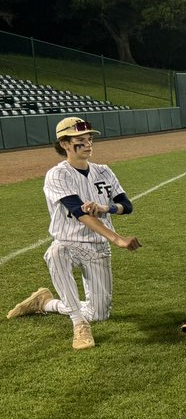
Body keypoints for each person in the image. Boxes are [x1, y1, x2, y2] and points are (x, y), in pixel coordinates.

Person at [7, 116, 140, 350]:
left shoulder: (104, 171)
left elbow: (126, 206)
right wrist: (117, 238)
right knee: (56, 253)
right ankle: (79, 324)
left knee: (99, 314)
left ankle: (46, 303)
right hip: (69, 242)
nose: (88, 143)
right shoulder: (58, 175)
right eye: (81, 140)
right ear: (65, 144)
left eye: (89, 138)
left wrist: (107, 207)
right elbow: (79, 212)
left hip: (98, 247)